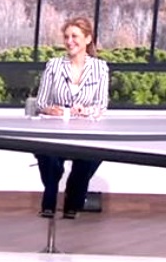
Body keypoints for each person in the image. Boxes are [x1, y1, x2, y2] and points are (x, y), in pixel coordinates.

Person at [32, 16, 110, 219]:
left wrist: (85, 111)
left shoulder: (100, 68)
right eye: (66, 37)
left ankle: (72, 200)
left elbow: (101, 106)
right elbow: (41, 103)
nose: (69, 41)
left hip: (85, 131)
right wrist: (50, 110)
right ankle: (49, 200)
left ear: (88, 39)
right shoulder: (54, 65)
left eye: (74, 36)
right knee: (46, 155)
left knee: (91, 156)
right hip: (55, 129)